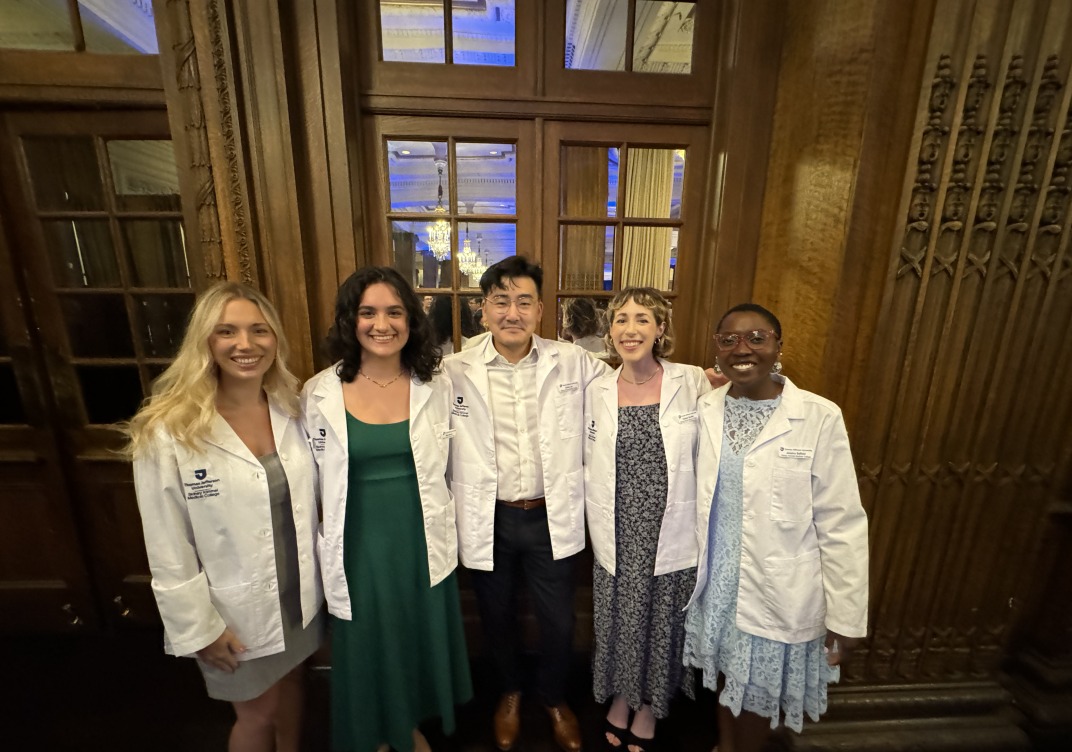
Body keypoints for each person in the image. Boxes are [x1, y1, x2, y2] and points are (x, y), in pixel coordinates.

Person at [126, 281, 324, 752]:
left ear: (275, 339)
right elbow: (166, 543)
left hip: (299, 594)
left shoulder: (292, 407)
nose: (246, 344)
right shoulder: (168, 429)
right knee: (257, 714)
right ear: (205, 342)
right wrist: (199, 627)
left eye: (259, 331)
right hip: (235, 608)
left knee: (294, 684)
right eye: (227, 332)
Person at [683, 303, 869, 752]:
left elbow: (841, 520)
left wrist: (846, 615)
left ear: (778, 346)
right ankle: (725, 746)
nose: (741, 349)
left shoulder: (819, 416)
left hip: (777, 583)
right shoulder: (704, 409)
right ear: (717, 349)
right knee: (727, 678)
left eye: (756, 338)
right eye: (728, 339)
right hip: (718, 580)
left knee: (756, 692)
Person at [442, 255, 611, 752]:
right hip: (488, 515)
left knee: (559, 619)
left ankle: (554, 698)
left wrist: (694, 384)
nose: (511, 313)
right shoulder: (453, 370)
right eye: (500, 301)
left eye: (522, 302)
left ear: (540, 308)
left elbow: (632, 386)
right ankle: (511, 694)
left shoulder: (574, 361)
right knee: (495, 615)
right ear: (483, 309)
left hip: (549, 515)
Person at [302, 267, 472, 752]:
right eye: (368, 312)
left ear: (411, 321)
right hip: (358, 538)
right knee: (370, 633)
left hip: (421, 534)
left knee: (413, 629)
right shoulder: (318, 393)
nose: (382, 324)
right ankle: (375, 730)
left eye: (394, 312)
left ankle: (407, 725)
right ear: (349, 321)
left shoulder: (437, 384)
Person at [583, 287, 711, 752]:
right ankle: (620, 695)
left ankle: (650, 706)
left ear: (661, 328)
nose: (630, 329)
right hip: (616, 525)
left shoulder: (692, 381)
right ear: (609, 330)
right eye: (620, 319)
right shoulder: (596, 387)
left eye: (642, 319)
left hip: (669, 525)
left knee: (660, 619)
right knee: (619, 617)